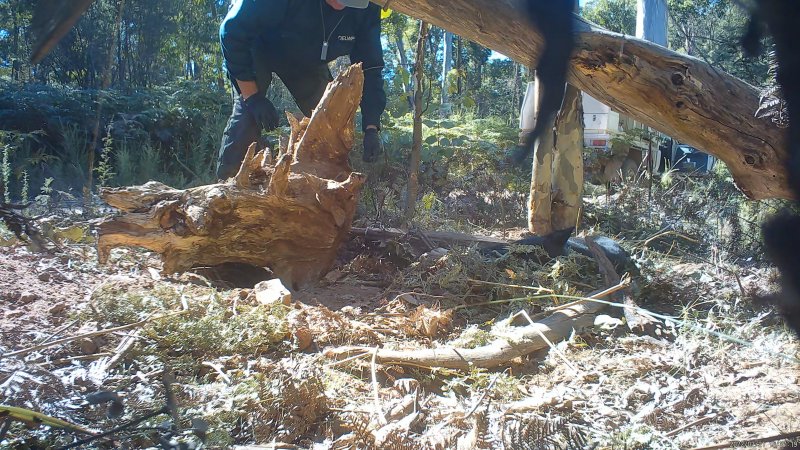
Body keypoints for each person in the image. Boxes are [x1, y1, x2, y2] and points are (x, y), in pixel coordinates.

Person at [216, 0, 387, 179]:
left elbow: (370, 67)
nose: (343, 5)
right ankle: (226, 190)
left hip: (308, 62)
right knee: (247, 116)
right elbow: (232, 31)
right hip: (260, 47)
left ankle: (326, 192)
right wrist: (252, 97)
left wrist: (371, 127)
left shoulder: (367, 9)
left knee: (329, 123)